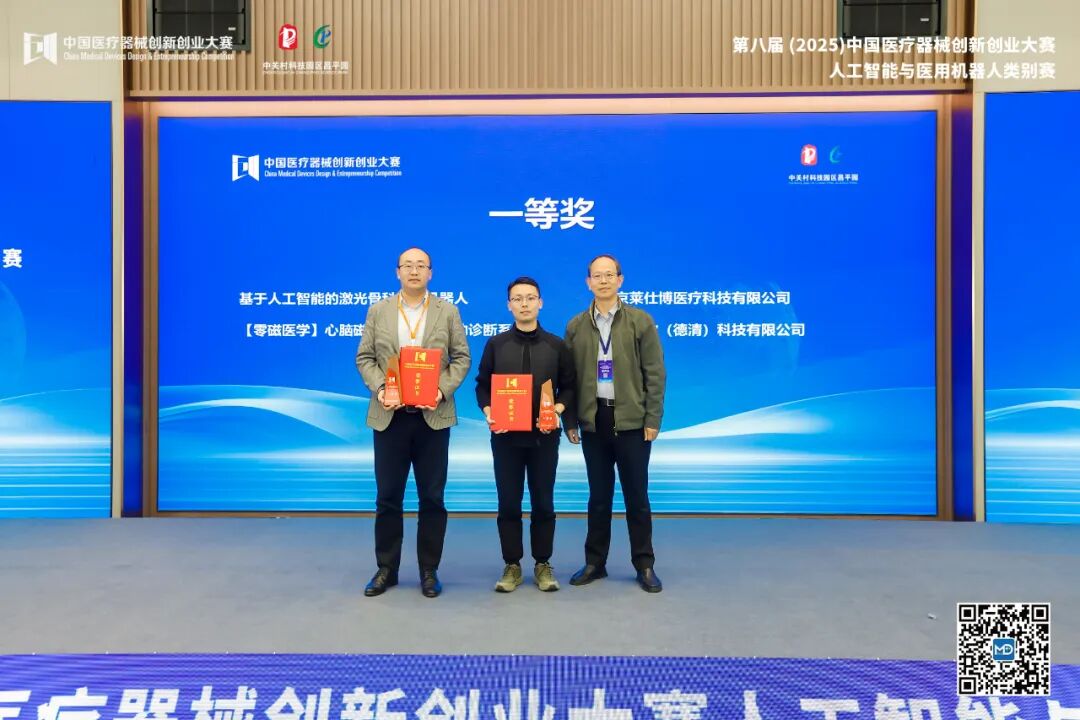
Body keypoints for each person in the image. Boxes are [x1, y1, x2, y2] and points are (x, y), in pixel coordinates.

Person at [355, 247, 471, 598]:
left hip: (432, 418)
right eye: (408, 265)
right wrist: (381, 388)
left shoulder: (447, 311)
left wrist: (440, 390)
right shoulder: (378, 311)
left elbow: (461, 358)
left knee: (432, 498)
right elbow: (365, 357)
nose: (414, 271)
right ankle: (386, 569)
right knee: (388, 497)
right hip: (389, 417)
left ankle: (429, 570)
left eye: (421, 266)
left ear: (431, 273)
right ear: (398, 272)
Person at [564, 254, 667, 593]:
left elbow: (655, 373)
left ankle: (645, 564)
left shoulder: (640, 321)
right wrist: (571, 420)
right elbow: (569, 378)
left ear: (620, 280)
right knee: (598, 497)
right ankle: (595, 562)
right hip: (594, 420)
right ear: (588, 282)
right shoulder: (576, 326)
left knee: (637, 497)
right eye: (597, 276)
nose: (604, 281)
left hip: (632, 421)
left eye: (610, 275)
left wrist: (653, 417)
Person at [476, 277, 576, 593]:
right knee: (508, 502)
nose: (524, 304)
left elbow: (569, 387)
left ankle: (543, 563)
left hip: (544, 438)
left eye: (530, 298)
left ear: (540, 303)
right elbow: (482, 386)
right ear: (509, 305)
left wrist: (556, 410)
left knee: (543, 502)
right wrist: (489, 411)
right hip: (505, 439)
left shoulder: (556, 345)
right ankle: (512, 565)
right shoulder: (496, 344)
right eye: (517, 298)